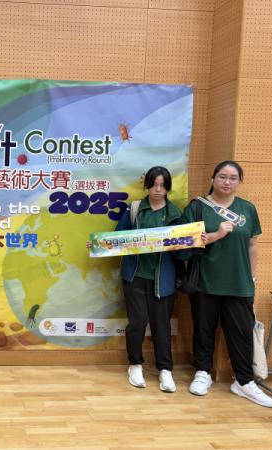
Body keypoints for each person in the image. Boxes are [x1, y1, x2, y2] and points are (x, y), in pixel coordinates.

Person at [184, 160, 272, 408]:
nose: (227, 182)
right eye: (222, 177)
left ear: (239, 182)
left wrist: (252, 278)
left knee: (241, 334)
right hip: (205, 282)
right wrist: (217, 234)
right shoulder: (197, 207)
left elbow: (252, 244)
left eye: (233, 178)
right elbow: (185, 242)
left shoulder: (247, 208)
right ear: (213, 179)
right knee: (204, 330)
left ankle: (244, 382)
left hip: (239, 284)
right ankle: (202, 373)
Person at [89, 166, 183, 392]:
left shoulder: (176, 214)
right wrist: (99, 245)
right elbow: (118, 238)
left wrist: (192, 242)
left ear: (168, 188)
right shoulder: (134, 209)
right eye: (154, 185)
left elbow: (183, 252)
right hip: (135, 276)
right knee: (138, 322)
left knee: (162, 325)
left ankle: (165, 370)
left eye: (162, 185)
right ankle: (135, 364)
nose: (158, 189)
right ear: (147, 185)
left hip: (163, 279)